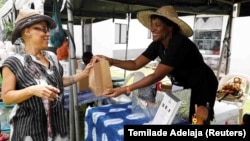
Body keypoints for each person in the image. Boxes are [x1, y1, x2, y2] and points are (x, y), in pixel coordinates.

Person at [98, 6, 218, 124]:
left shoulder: (179, 43)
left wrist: (125, 89)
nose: (152, 29)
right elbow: (135, 64)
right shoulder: (158, 44)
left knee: (198, 119)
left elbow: (156, 75)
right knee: (182, 117)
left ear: (169, 27)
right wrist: (111, 61)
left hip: (202, 85)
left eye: (158, 25)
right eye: (152, 25)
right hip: (182, 85)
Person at [1, 9, 92, 141]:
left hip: (57, 129)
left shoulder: (52, 57)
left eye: (48, 29)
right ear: (27, 31)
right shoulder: (13, 62)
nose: (48, 34)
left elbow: (58, 81)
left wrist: (84, 74)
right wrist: (32, 90)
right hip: (30, 132)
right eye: (43, 29)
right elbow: (7, 97)